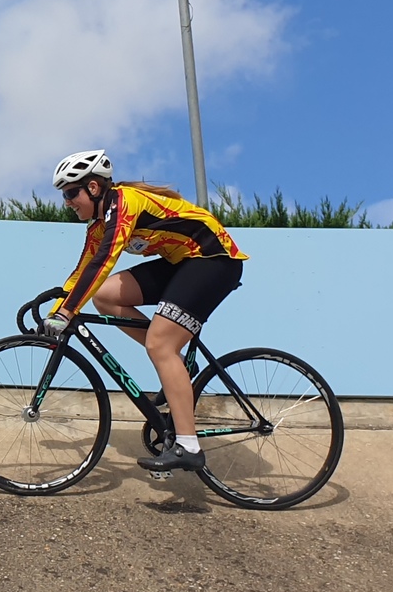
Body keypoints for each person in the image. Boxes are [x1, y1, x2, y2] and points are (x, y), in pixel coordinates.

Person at [40, 149, 247, 472]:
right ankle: (178, 363)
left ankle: (188, 446)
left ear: (93, 188)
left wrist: (66, 313)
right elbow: (82, 273)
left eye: (70, 193)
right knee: (104, 296)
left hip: (214, 261)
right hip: (182, 263)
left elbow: (104, 260)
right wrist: (55, 311)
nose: (67, 202)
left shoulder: (125, 202)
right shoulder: (98, 226)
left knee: (159, 345)